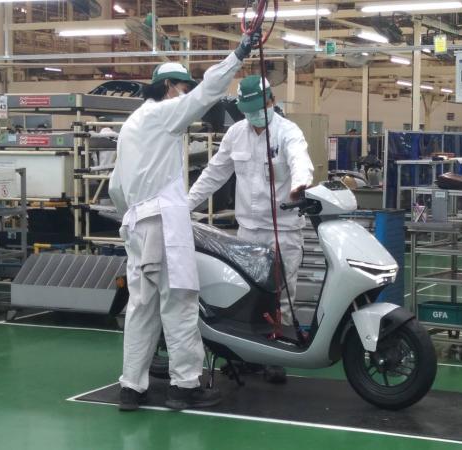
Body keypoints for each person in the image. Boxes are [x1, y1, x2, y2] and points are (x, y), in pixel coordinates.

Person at [108, 28, 261, 412]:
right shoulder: (162, 114)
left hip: (136, 225)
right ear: (168, 87)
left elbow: (114, 188)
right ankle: (185, 385)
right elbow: (206, 93)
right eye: (181, 86)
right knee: (179, 304)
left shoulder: (130, 127)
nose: (184, 93)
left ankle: (132, 387)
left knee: (141, 307)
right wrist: (238, 53)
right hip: (162, 222)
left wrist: (136, 213)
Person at [188, 75, 314, 330]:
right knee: (248, 294)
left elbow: (300, 161)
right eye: (249, 111)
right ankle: (251, 353)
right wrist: (185, 205)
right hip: (247, 233)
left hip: (283, 232)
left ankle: (280, 348)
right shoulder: (235, 134)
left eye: (259, 109)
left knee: (283, 295)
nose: (255, 115)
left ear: (272, 101)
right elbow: (214, 174)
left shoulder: (288, 132)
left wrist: (299, 185)